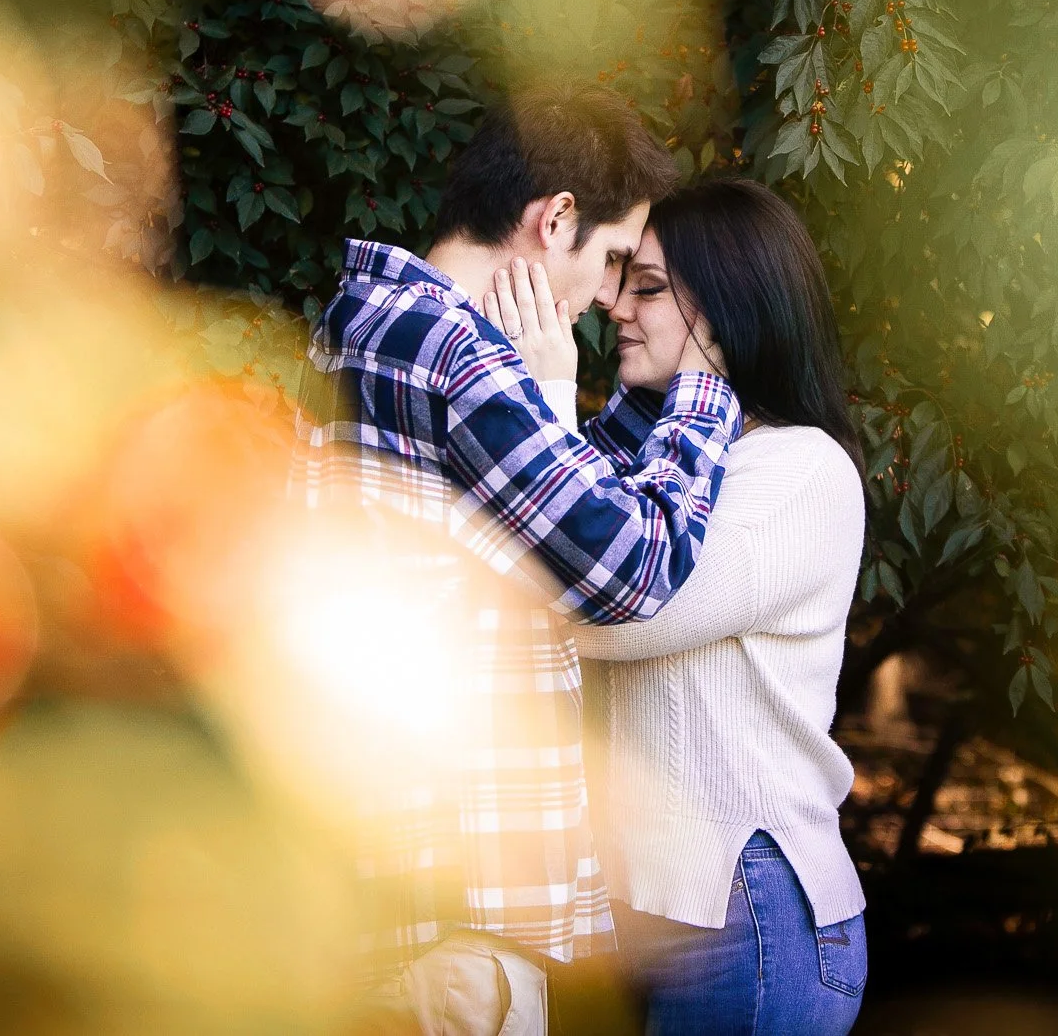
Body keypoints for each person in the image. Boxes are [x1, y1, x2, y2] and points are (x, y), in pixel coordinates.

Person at [293, 83, 740, 1036]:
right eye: (614, 259)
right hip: (452, 933)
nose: (611, 297)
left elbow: (534, 522)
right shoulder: (457, 358)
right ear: (556, 220)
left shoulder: (361, 323)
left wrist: (552, 394)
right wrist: (702, 392)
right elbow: (631, 566)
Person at [496, 179, 870, 1035]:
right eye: (623, 277)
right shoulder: (664, 467)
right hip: (639, 922)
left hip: (745, 922)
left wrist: (545, 404)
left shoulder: (797, 470)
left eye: (652, 287)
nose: (617, 306)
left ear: (732, 305)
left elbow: (617, 608)